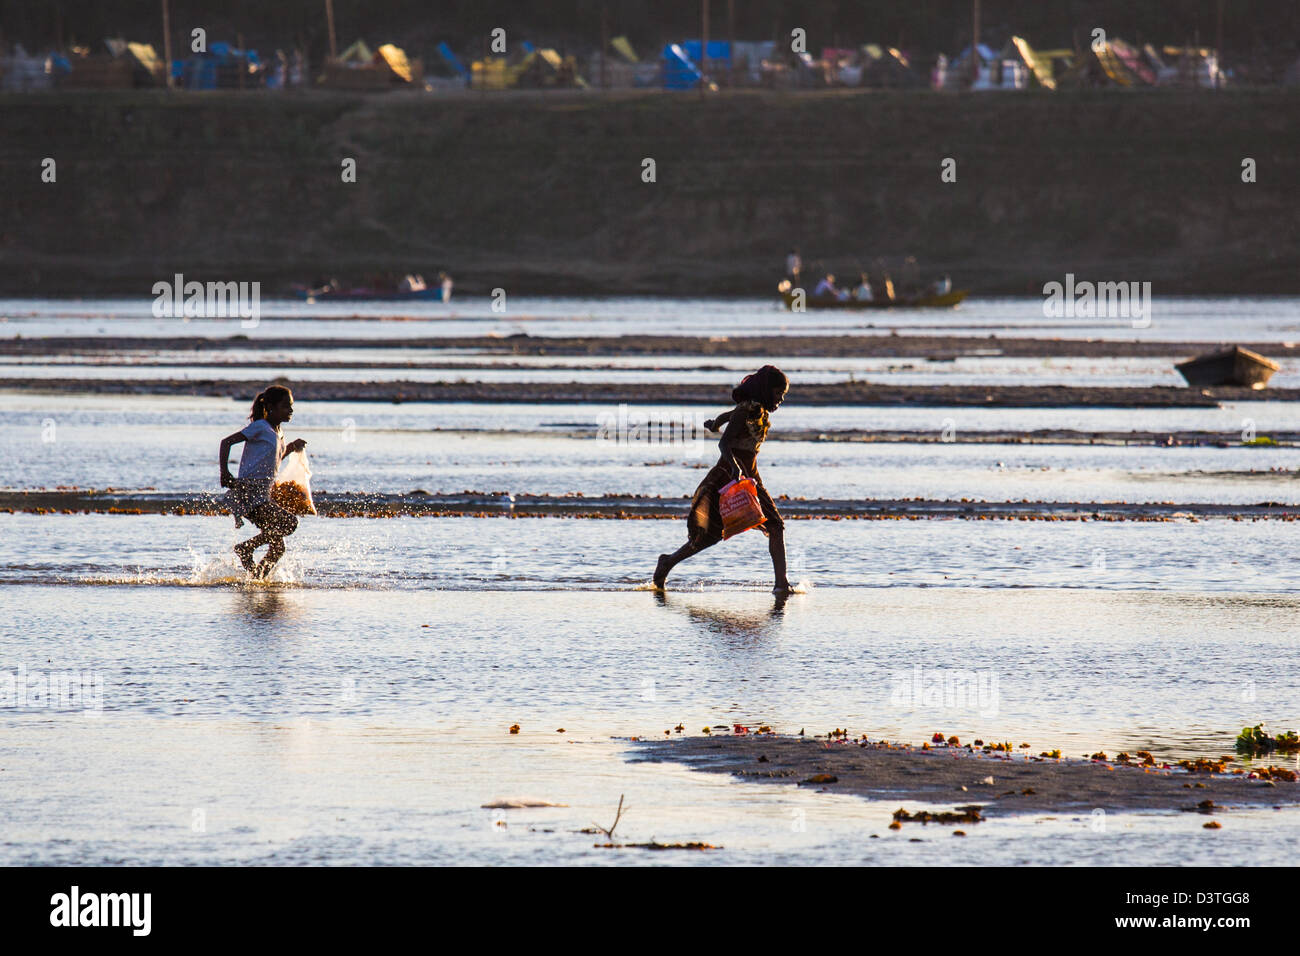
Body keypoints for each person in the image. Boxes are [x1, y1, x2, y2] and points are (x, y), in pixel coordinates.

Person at [654, 366, 792, 593]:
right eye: (778, 393)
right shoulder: (745, 412)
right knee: (712, 534)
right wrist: (736, 467)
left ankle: (781, 583)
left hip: (750, 477)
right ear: (766, 391)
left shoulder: (755, 411)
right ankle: (667, 562)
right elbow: (724, 444)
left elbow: (725, 417)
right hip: (729, 477)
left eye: (783, 395)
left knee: (775, 526)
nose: (781, 399)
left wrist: (714, 424)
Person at [219, 385, 307, 579]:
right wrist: (225, 473)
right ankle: (245, 548)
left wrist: (291, 447)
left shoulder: (279, 433)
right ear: (271, 407)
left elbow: (273, 458)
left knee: (277, 548)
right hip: (249, 492)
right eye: (285, 406)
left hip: (262, 494)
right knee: (290, 523)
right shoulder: (260, 427)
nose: (290, 410)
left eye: (291, 406)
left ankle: (256, 580)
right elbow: (226, 442)